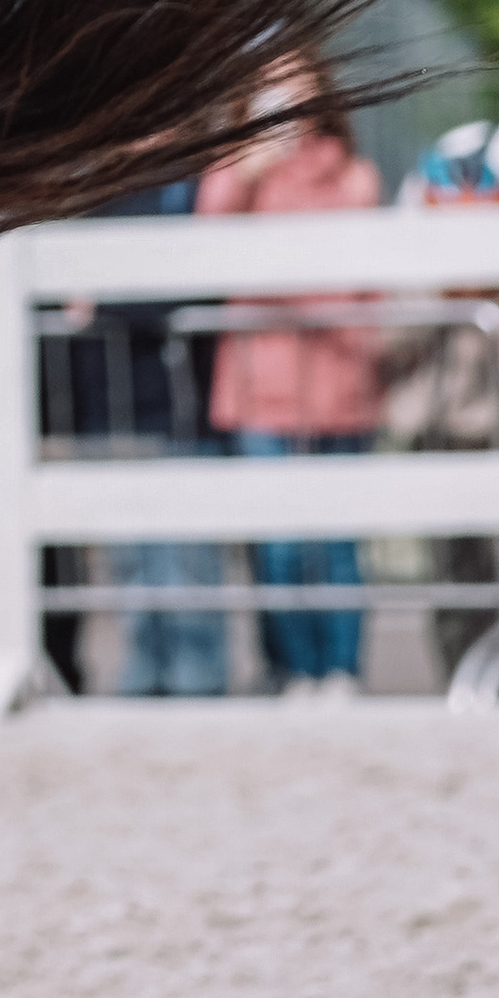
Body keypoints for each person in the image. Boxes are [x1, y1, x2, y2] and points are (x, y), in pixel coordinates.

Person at [200, 61, 382, 698]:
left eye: (298, 82)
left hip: (337, 378)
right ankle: (294, 668)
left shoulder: (353, 175)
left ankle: (343, 668)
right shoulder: (236, 172)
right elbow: (204, 243)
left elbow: (351, 281)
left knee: (337, 538)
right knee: (276, 540)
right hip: (258, 385)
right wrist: (248, 166)